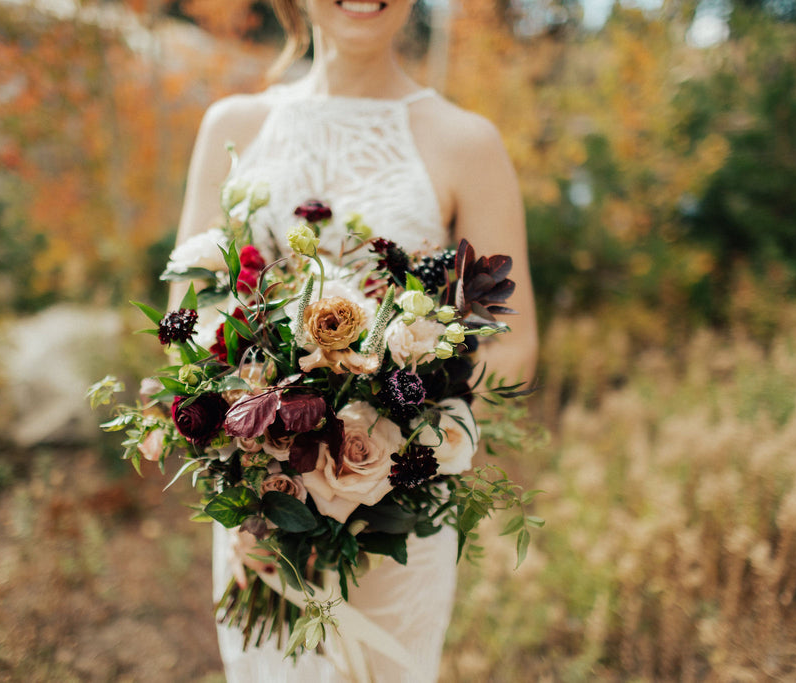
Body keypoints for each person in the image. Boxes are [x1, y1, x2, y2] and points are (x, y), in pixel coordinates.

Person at [171, 1, 538, 680]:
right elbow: (186, 319)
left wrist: (388, 462)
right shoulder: (233, 125)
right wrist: (260, 460)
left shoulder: (467, 142)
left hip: (396, 519)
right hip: (261, 509)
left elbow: (509, 349)